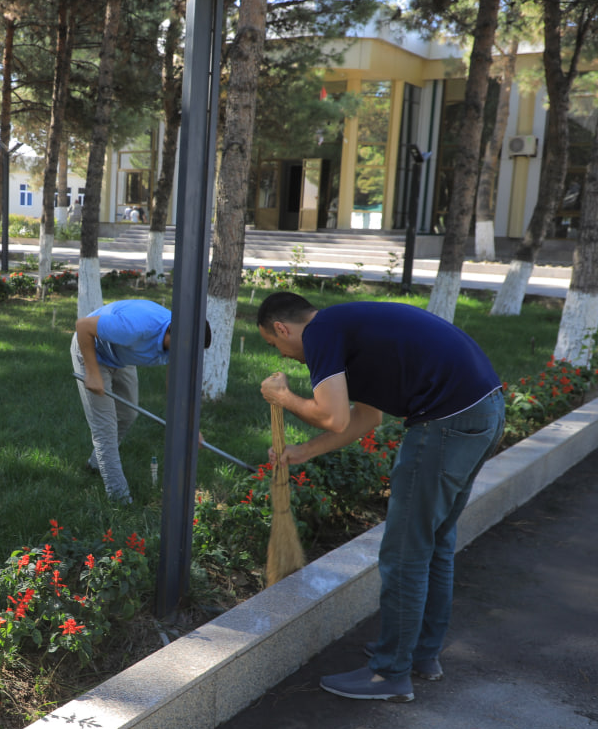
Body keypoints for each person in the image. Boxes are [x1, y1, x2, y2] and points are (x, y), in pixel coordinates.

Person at [256, 291, 504, 702]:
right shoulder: (349, 332)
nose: (281, 355)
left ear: (282, 328)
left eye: (273, 344)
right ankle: (420, 653)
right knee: (434, 541)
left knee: (404, 551)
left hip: (445, 422)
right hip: (484, 410)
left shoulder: (320, 332)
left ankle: (390, 673)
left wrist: (283, 398)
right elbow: (365, 419)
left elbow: (332, 416)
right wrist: (303, 452)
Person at [72, 299, 209, 503]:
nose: (187, 355)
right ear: (174, 335)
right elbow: (83, 326)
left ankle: (95, 464)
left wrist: (190, 427)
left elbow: (176, 387)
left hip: (121, 355)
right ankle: (120, 498)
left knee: (128, 415)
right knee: (105, 428)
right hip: (93, 351)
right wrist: (92, 373)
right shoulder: (134, 327)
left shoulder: (180, 344)